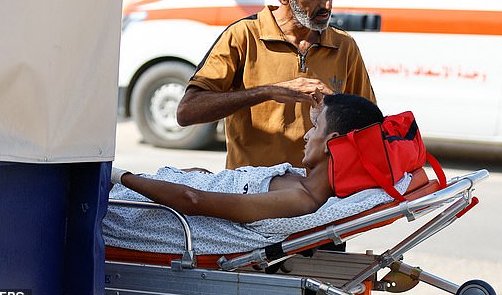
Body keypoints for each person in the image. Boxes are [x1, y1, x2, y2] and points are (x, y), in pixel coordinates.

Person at [176, 0, 375, 170]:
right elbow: (187, 112)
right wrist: (269, 91)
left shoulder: (344, 46)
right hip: (252, 194)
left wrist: (337, 107)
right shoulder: (243, 36)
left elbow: (370, 129)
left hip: (318, 195)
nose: (327, 3)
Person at [111, 93, 384, 224]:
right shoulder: (298, 181)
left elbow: (192, 200)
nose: (306, 135)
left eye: (316, 126)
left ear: (332, 142)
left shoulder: (301, 199)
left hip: (133, 206)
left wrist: (120, 176)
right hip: (150, 188)